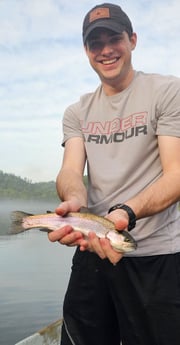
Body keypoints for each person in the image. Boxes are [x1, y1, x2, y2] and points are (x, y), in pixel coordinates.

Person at [48, 3, 180, 345]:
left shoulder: (167, 91)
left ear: (132, 40)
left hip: (157, 257)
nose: (106, 50)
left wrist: (127, 212)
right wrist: (74, 200)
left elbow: (176, 173)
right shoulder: (76, 112)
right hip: (92, 251)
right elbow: (71, 172)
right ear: (86, 51)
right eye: (95, 43)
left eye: (114, 38)